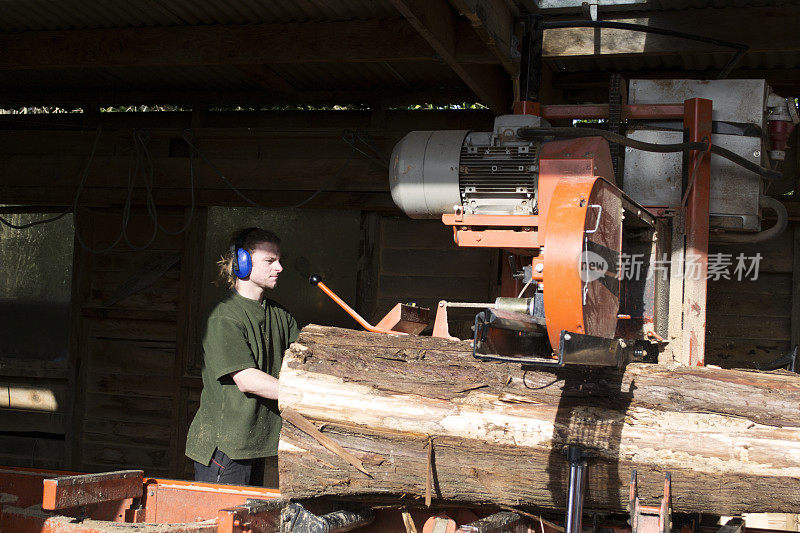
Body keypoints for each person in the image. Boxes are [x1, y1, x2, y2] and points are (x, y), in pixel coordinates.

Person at [186, 227, 298, 486]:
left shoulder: (281, 316)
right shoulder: (224, 317)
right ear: (243, 263)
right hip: (225, 449)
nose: (279, 267)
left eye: (279, 260)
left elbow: (306, 361)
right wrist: (304, 396)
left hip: (257, 445)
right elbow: (247, 379)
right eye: (270, 261)